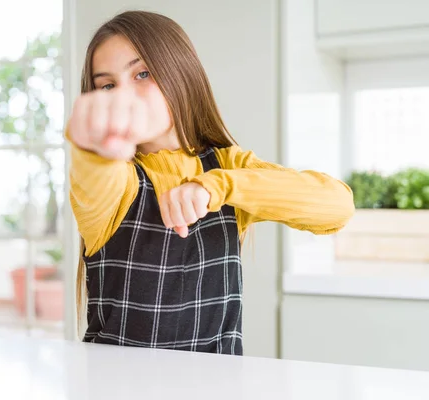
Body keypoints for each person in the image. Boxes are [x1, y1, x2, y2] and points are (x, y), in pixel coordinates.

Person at [66, 10, 354, 355]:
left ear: (180, 72)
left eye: (142, 73)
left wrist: (217, 186)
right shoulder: (119, 182)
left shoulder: (228, 165)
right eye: (108, 86)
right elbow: (95, 172)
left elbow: (337, 206)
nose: (124, 96)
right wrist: (92, 146)